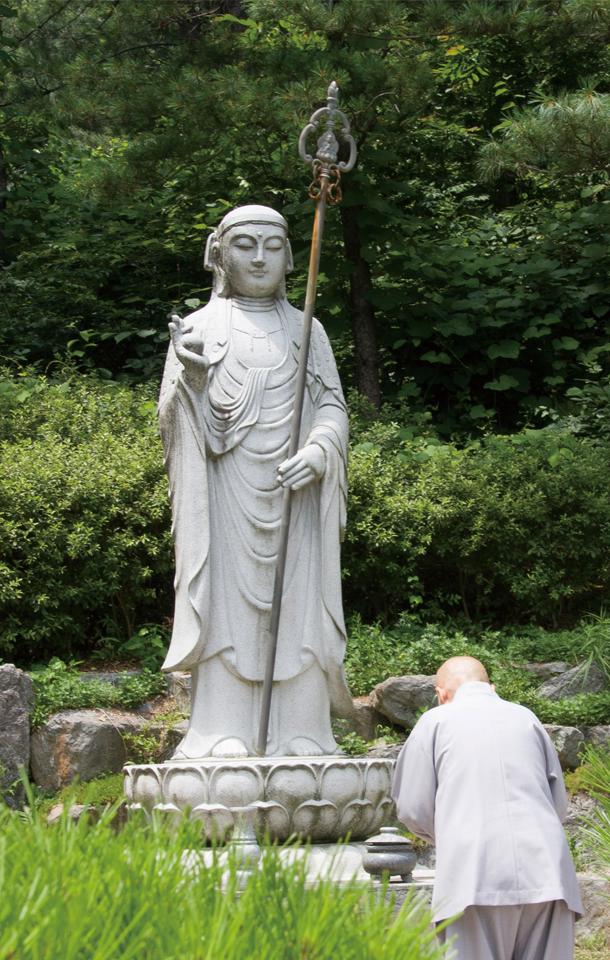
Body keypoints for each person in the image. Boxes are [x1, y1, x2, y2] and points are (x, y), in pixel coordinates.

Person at [157, 204, 357, 759]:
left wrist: (320, 449)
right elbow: (173, 422)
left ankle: (303, 732)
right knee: (225, 606)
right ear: (218, 253)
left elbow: (332, 407)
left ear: (292, 254)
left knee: (298, 610)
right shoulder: (198, 328)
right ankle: (219, 731)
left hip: (297, 498)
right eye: (245, 244)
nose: (261, 257)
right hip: (225, 494)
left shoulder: (306, 327)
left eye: (273, 244)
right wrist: (192, 379)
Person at [392, 656, 583, 960]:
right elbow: (557, 806)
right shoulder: (526, 718)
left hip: (472, 873)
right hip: (548, 871)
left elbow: (413, 809)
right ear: (491, 687)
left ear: (441, 695)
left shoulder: (435, 722)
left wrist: (454, 835)